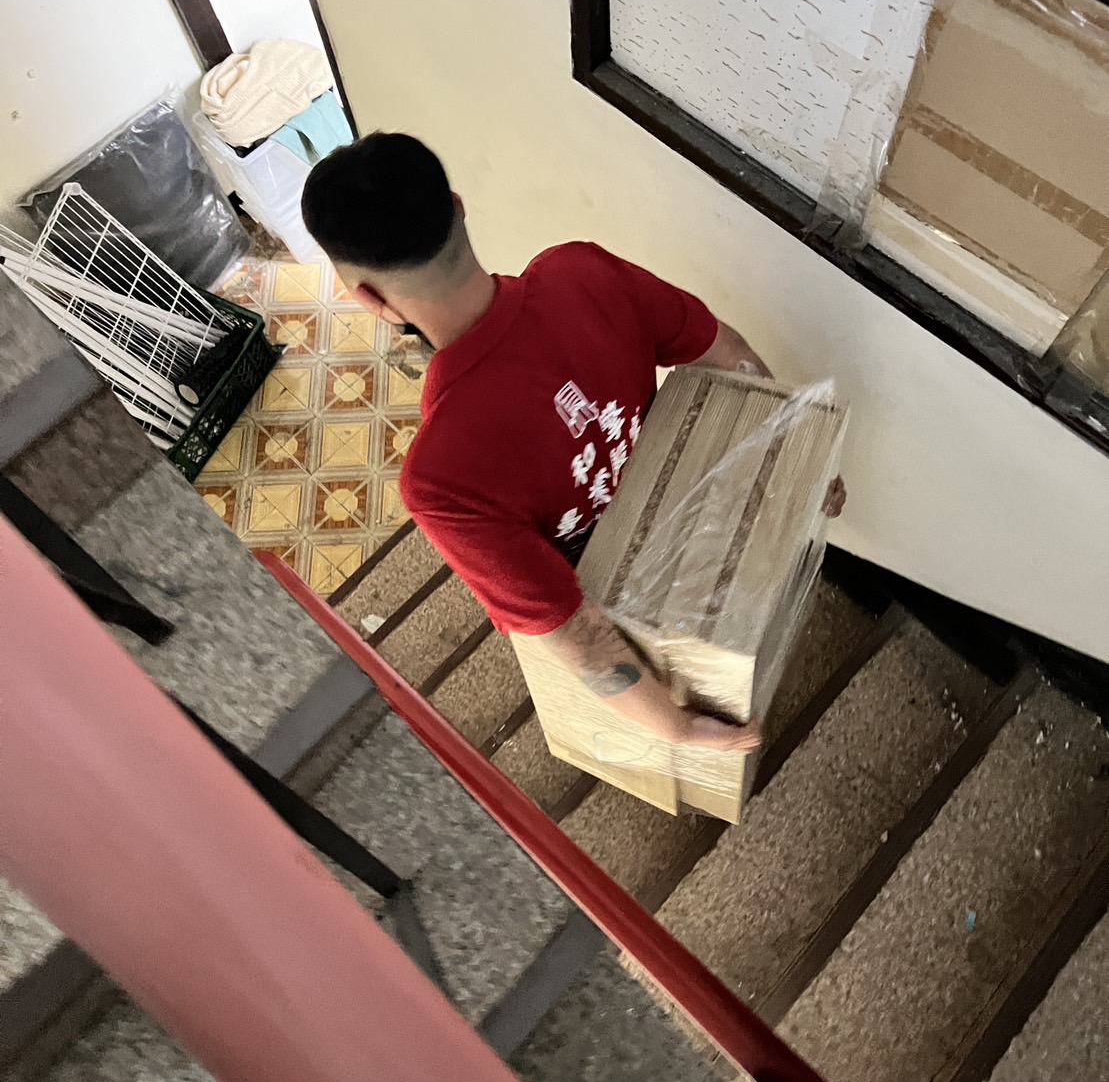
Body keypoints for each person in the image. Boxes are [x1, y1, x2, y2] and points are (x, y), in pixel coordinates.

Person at [302, 133, 844, 753]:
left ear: (370, 300)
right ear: (457, 207)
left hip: (618, 596)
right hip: (684, 509)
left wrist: (677, 728)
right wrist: (801, 460)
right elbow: (729, 353)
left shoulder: (440, 479)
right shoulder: (581, 273)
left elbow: (573, 633)